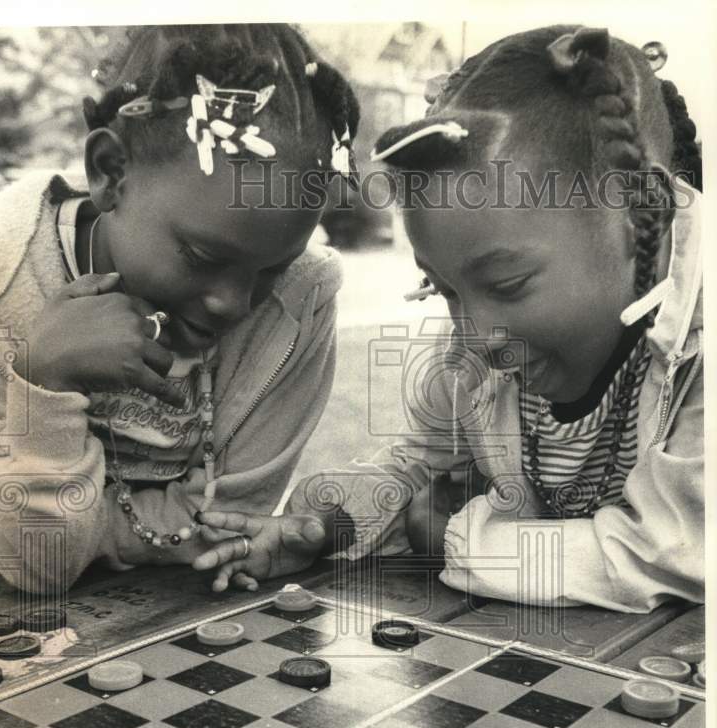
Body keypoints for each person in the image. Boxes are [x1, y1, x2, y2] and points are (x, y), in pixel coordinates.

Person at [192, 26, 703, 614]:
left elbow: (678, 551)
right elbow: (425, 467)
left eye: (507, 285)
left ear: (647, 217)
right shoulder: (475, 355)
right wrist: (332, 521)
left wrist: (458, 541)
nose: (473, 334)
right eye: (443, 288)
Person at [0, 23, 359, 596]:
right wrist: (46, 385)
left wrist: (85, 532)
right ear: (111, 172)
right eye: (200, 256)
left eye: (271, 269)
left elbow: (229, 520)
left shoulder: (302, 299)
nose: (232, 303)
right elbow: (33, 563)